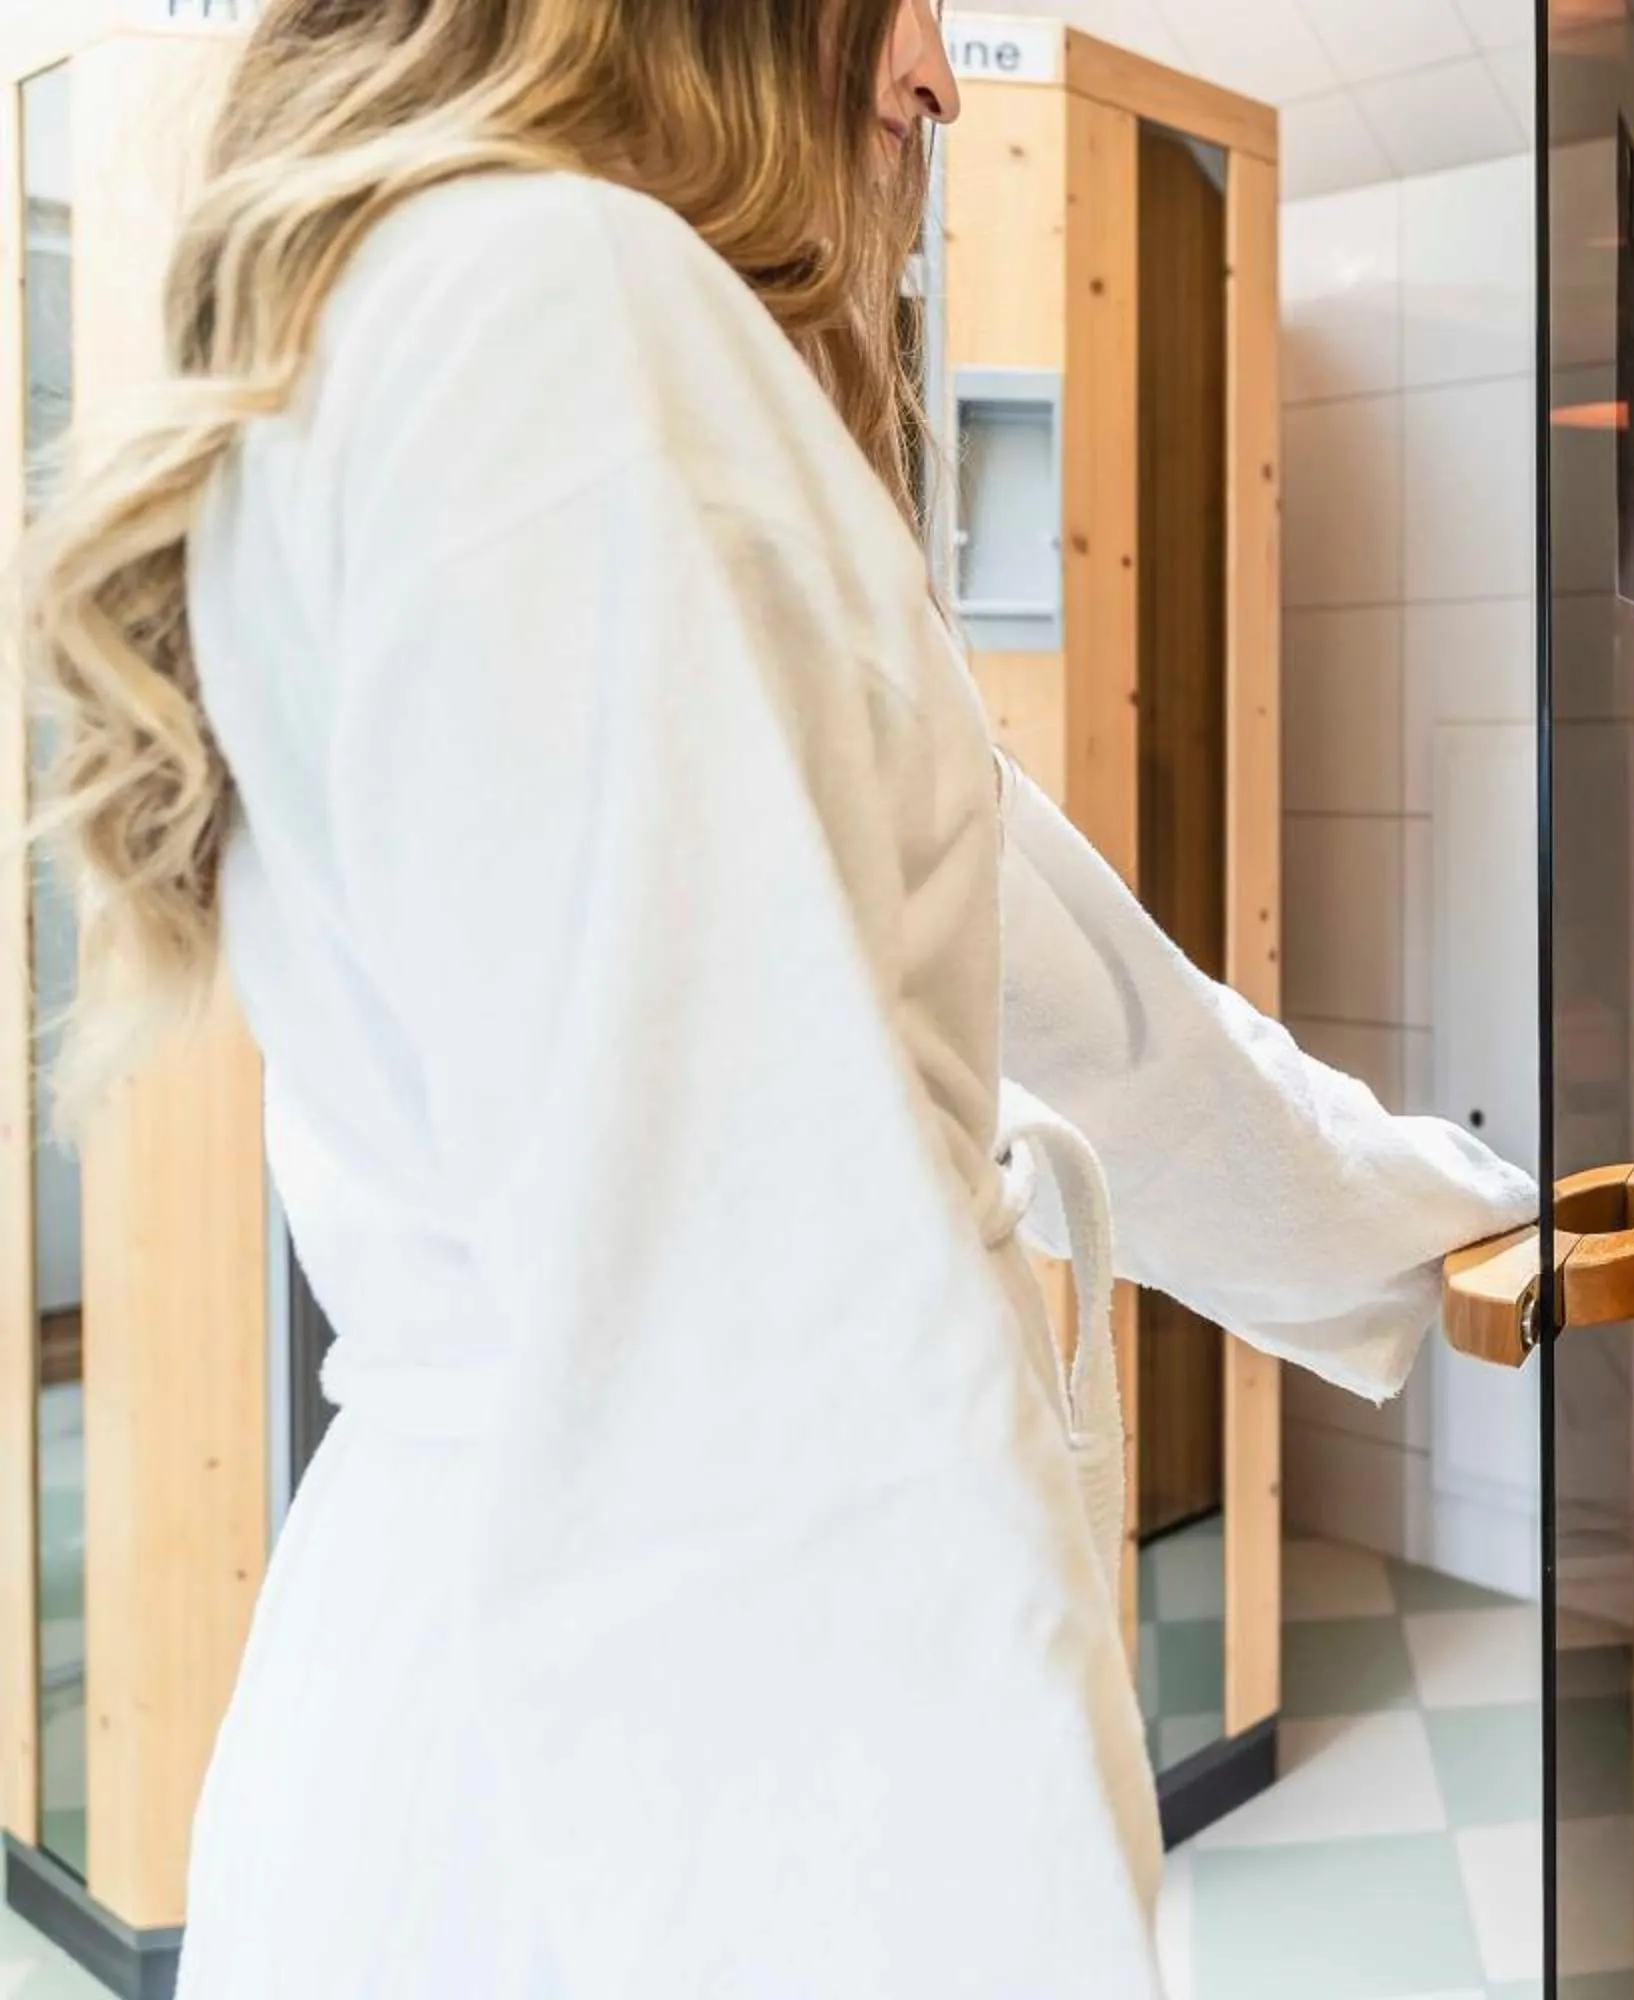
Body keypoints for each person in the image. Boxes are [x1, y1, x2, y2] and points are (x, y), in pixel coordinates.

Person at [17, 2, 1535, 1992]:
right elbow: (770, 1371)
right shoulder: (560, 317)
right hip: (636, 1774)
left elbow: (1076, 1009)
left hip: (522, 1711)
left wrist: (1435, 1218)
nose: (938, 76)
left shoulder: (517, 324)